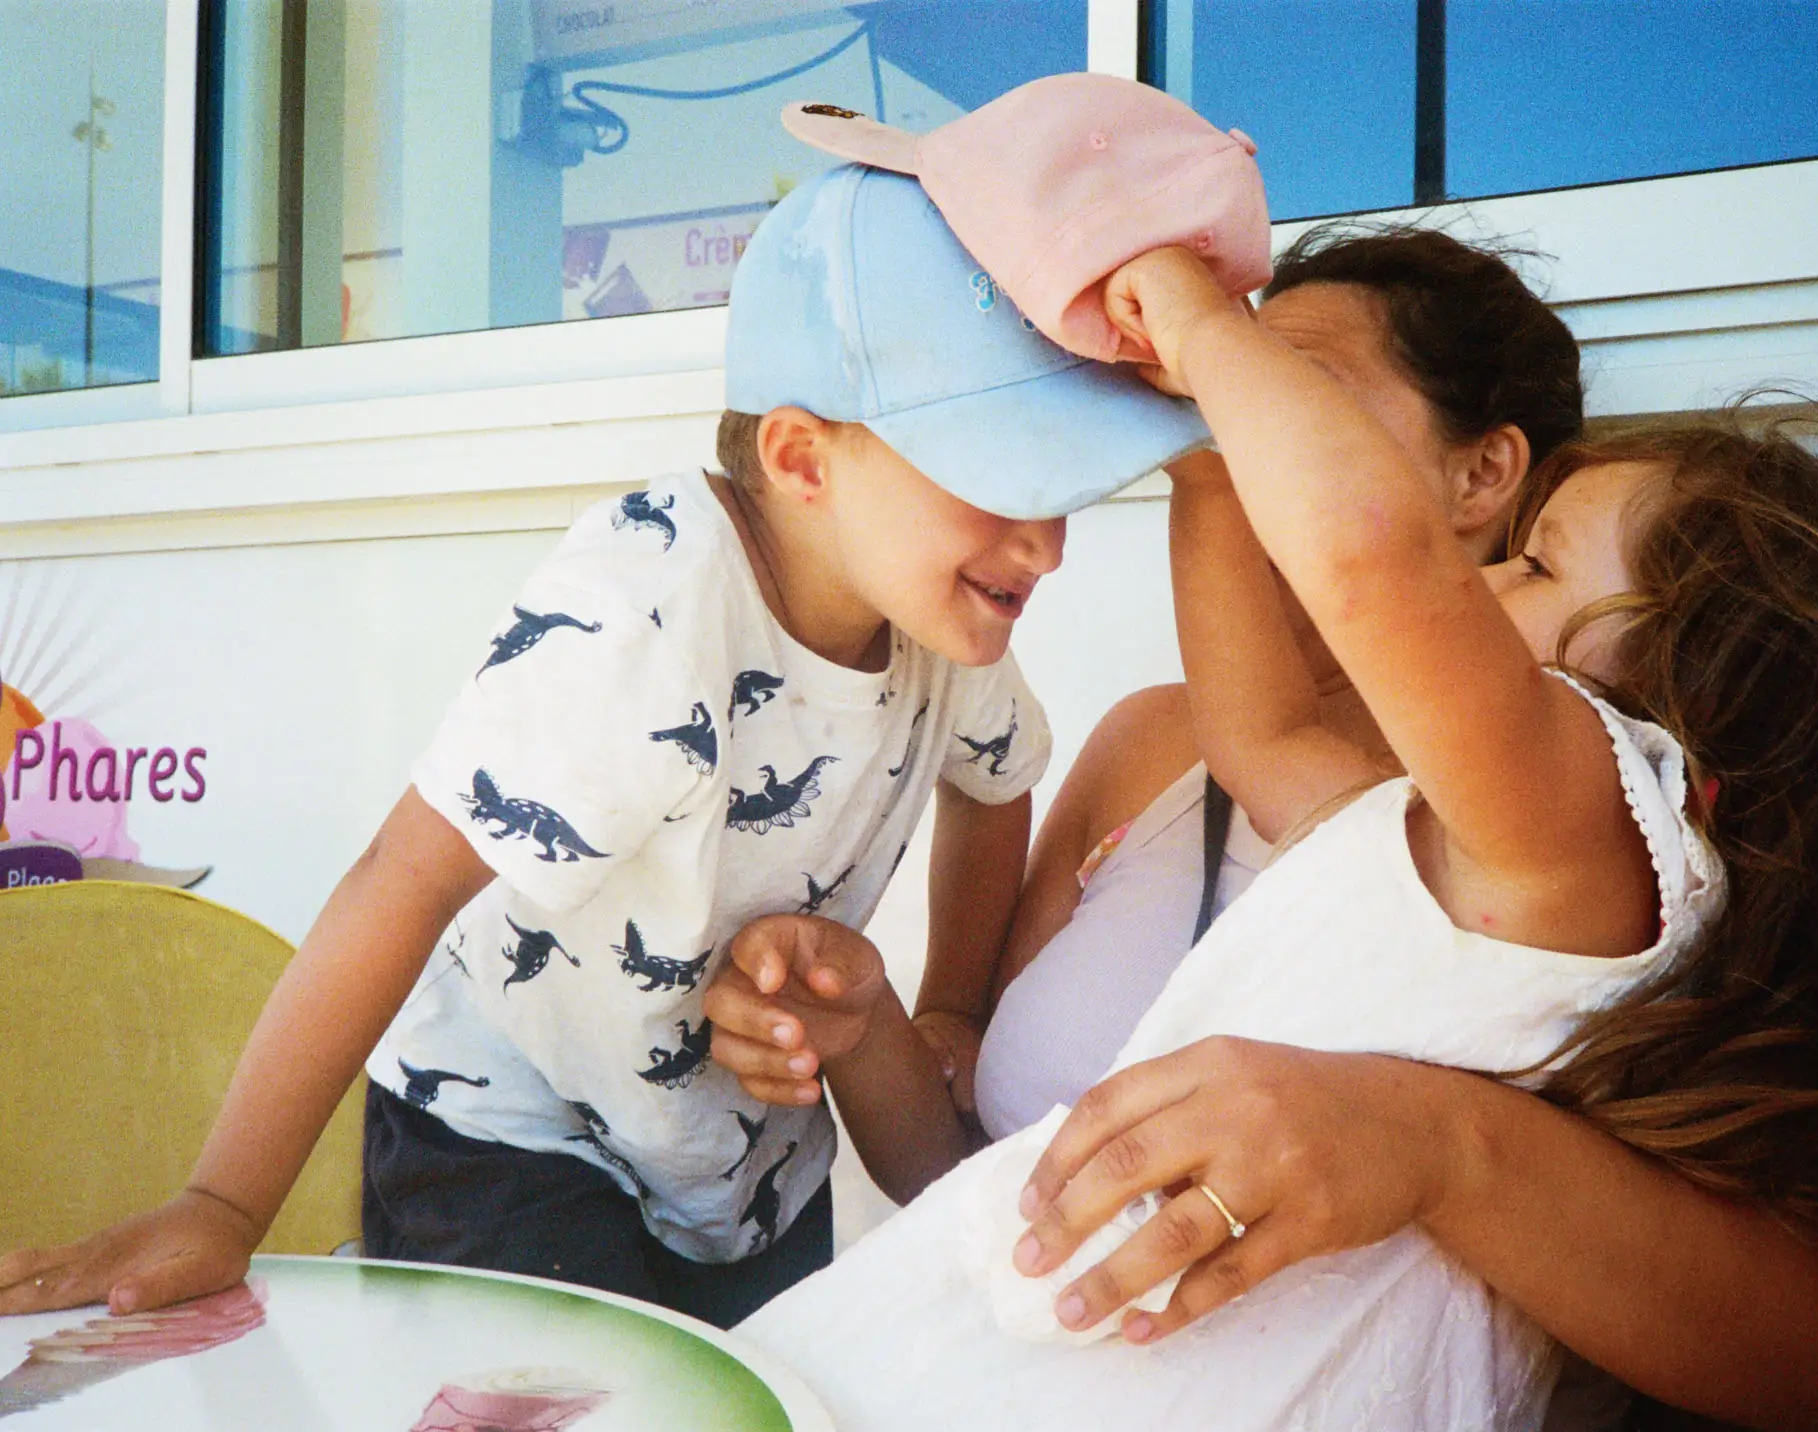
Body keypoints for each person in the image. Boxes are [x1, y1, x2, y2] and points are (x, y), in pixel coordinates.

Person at [725, 243, 1818, 1430]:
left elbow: (1369, 563)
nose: (1247, 402)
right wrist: (1202, 453)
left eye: (1541, 568)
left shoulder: (1582, 828)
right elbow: (1262, 728)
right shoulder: (1403, 845)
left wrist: (1184, 299)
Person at [0, 163, 1216, 1328]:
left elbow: (995, 785)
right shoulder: (642, 603)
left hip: (743, 1161)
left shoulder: (951, 629)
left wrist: (951, 1004)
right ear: (803, 459)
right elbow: (404, 876)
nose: (1048, 545)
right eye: (1002, 479)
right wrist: (224, 1203)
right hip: (511, 1135)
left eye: (1063, 487)